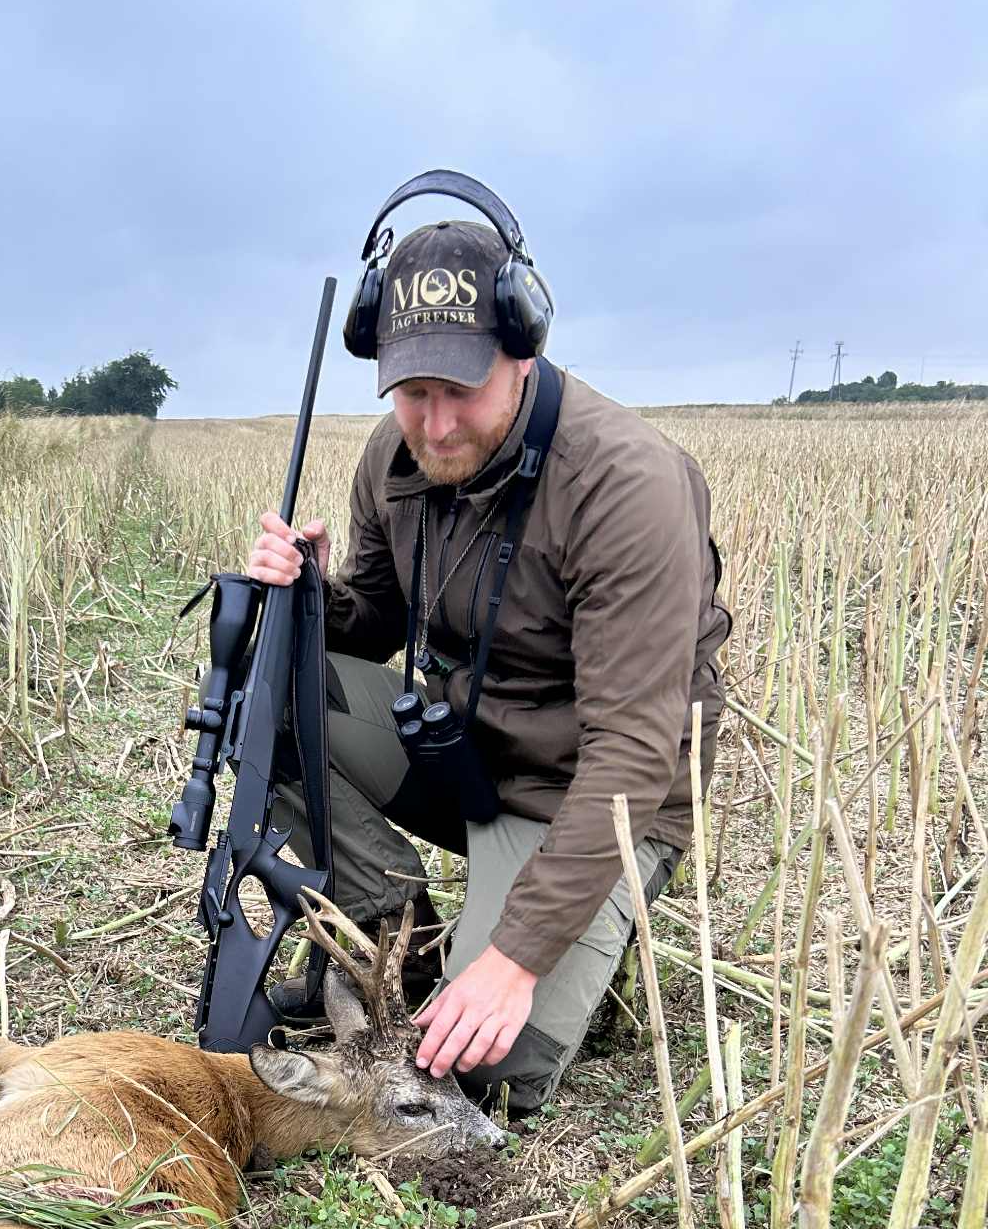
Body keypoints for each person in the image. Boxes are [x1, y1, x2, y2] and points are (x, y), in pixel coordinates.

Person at [252, 178, 732, 1115]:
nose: (432, 425)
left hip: (590, 796)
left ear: (522, 349)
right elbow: (376, 623)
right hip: (462, 753)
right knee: (275, 684)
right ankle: (400, 936)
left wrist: (516, 959)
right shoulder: (395, 460)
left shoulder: (627, 487)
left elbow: (633, 756)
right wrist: (311, 595)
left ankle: (566, 936)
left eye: (457, 392)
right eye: (409, 393)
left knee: (478, 1075)